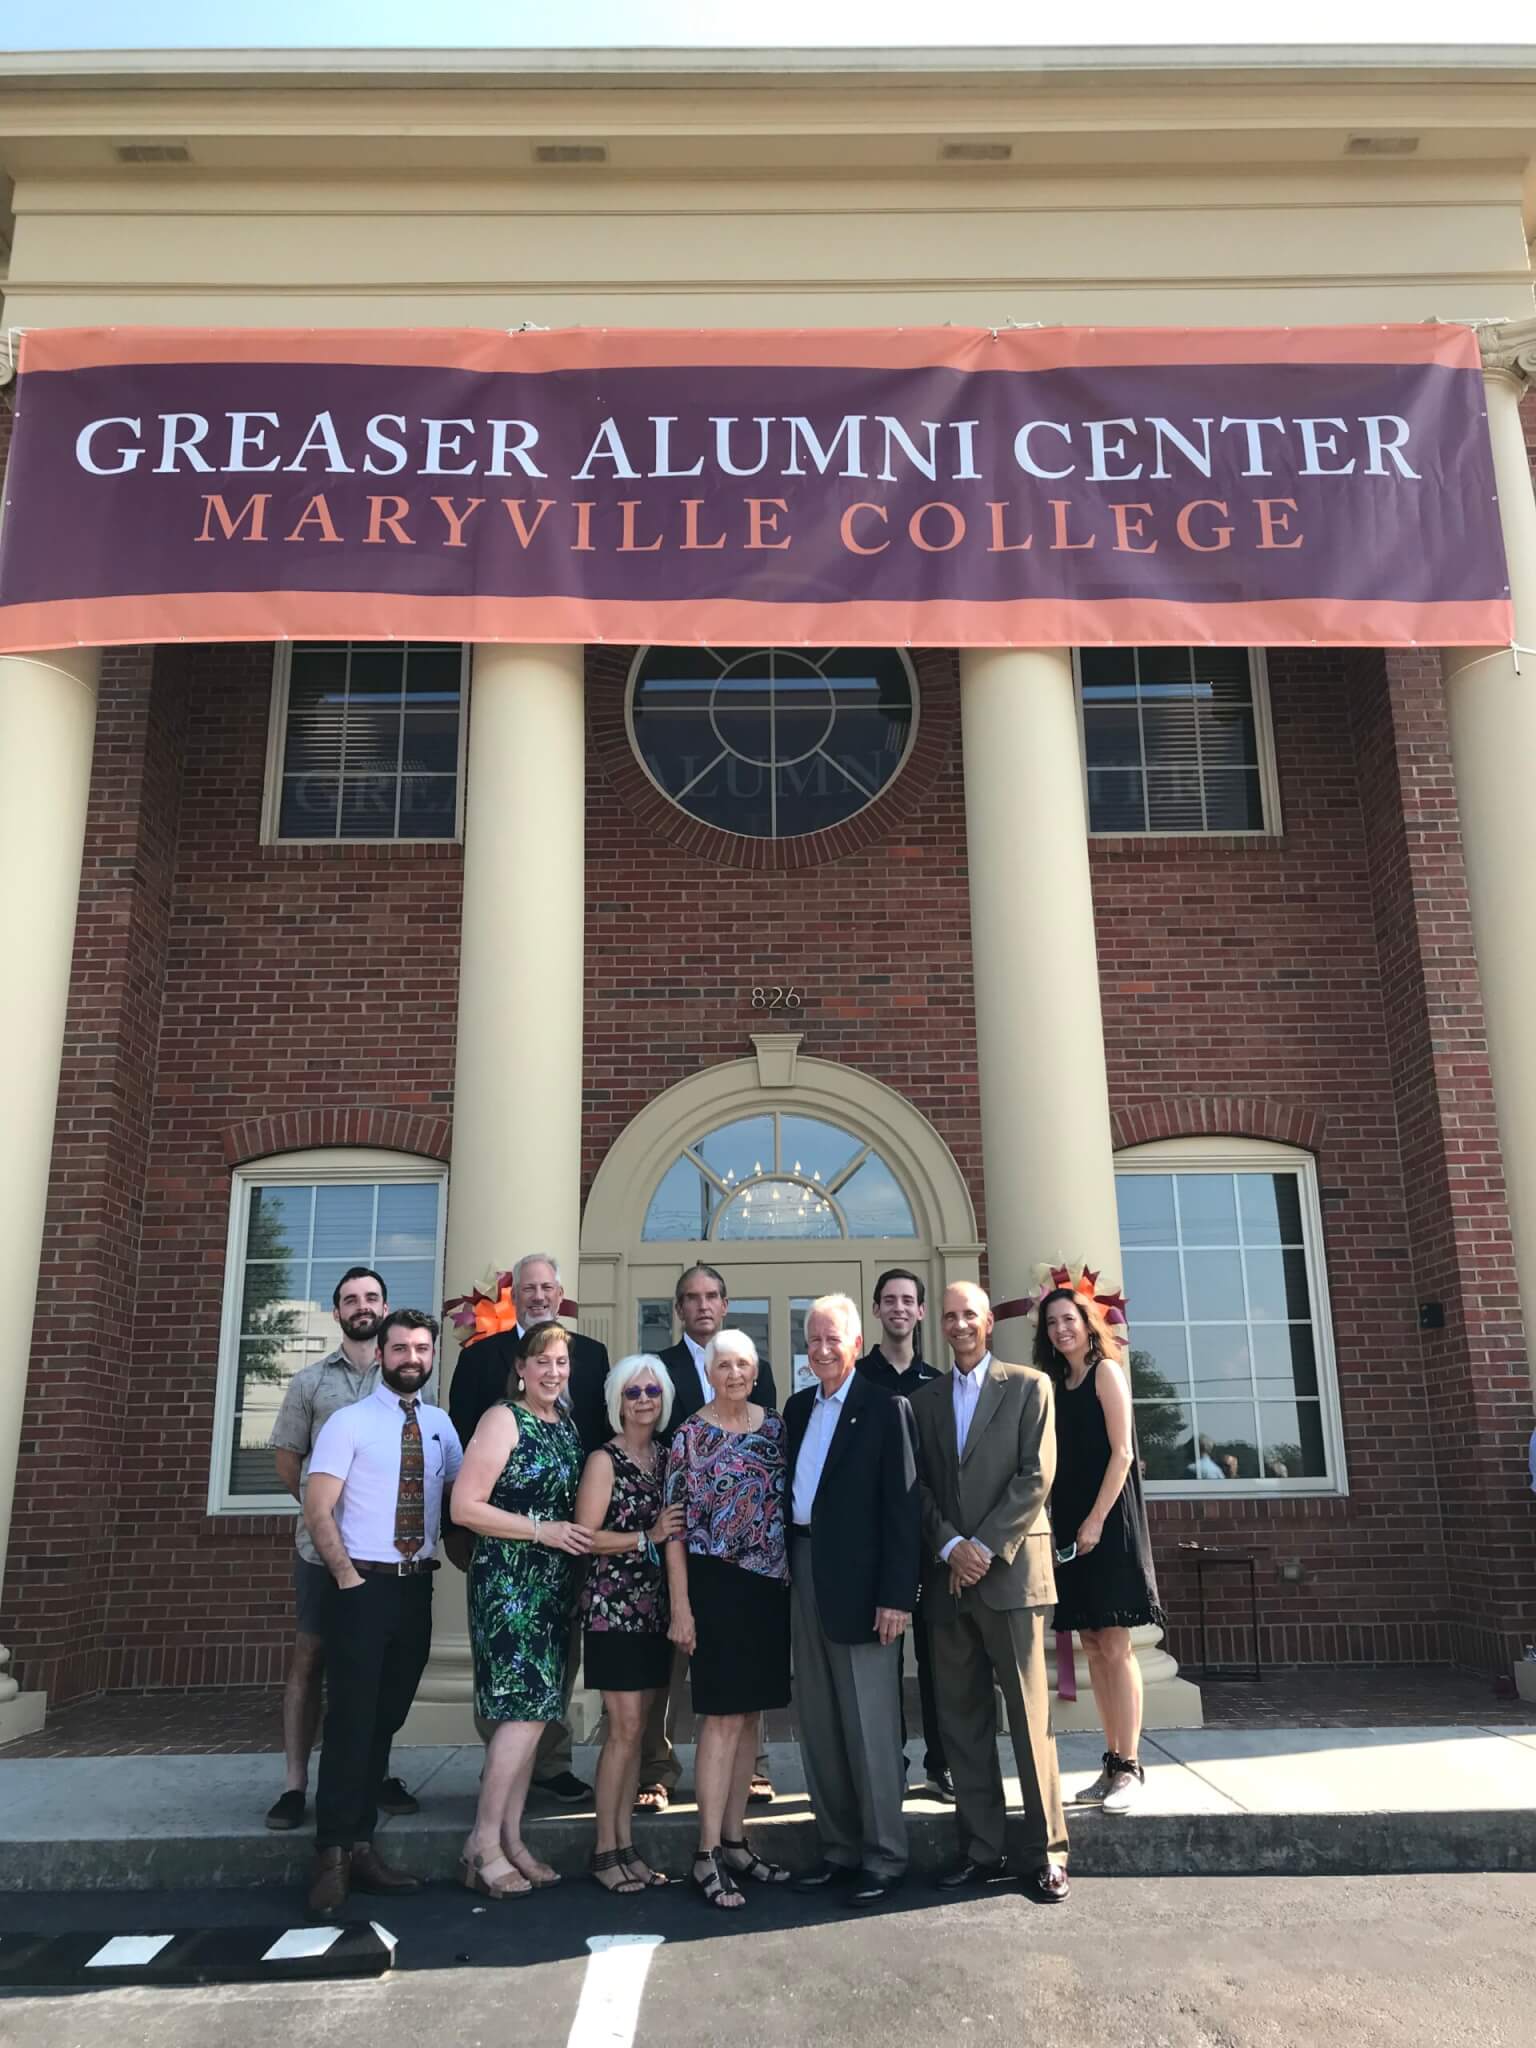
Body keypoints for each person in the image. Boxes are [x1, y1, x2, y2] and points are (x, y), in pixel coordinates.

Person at [910, 1281, 1070, 1905]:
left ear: (988, 1322)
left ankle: (1047, 1851)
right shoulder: (923, 1401)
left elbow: (1037, 1476)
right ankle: (981, 1848)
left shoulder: (1030, 1387)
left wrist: (984, 1548)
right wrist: (952, 1547)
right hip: (950, 1580)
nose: (959, 1325)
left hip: (1011, 1577)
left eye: (968, 1314)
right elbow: (916, 1486)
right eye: (949, 1317)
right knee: (962, 1724)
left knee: (1031, 1724)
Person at [301, 1307, 462, 1914]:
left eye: (422, 1348)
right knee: (350, 1721)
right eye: (400, 1349)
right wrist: (345, 1575)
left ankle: (362, 1845)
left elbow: (455, 1506)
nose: (411, 1358)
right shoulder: (348, 1423)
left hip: (415, 1589)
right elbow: (319, 1509)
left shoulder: (444, 1426)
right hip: (360, 1585)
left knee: (386, 1717)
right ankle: (331, 1855)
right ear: (381, 1352)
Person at [446, 1250, 608, 1805]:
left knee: (558, 1670)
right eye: (530, 1287)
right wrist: (461, 1535)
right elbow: (461, 1455)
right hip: (507, 1558)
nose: (540, 1295)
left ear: (560, 1293)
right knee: (510, 1683)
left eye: (549, 1287)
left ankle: (550, 1762)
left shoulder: (590, 1356)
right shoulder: (482, 1356)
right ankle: (501, 1778)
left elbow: (598, 1447)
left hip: (566, 1551)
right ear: (514, 1294)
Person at [267, 1265, 421, 1830]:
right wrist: (324, 1515)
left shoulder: (406, 1377)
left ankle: (371, 1773)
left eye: (372, 1297)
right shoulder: (310, 1384)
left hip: (385, 1557)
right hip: (321, 1552)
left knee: (379, 1669)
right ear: (337, 1313)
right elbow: (289, 1461)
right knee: (311, 1656)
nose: (363, 1306)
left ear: (385, 1308)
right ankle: (294, 1785)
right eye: (351, 1299)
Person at [786, 1294, 920, 1907]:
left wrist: (897, 1596)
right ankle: (838, 1849)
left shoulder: (884, 1406)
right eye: (812, 1338)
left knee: (870, 1725)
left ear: (857, 1344)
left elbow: (903, 1509)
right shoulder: (795, 1408)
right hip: (805, 1573)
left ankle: (885, 1855)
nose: (820, 1349)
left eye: (832, 1338)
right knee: (819, 1723)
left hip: (867, 1588)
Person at [451, 1320, 589, 1896]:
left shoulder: (565, 1426)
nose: (553, 1372)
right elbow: (465, 1507)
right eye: (542, 1362)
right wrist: (540, 1531)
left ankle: (512, 1838)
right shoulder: (503, 1419)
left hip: (553, 1584)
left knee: (538, 1713)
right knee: (523, 1710)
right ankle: (481, 1842)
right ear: (522, 1369)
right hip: (509, 1585)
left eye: (561, 1362)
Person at [640, 1261, 778, 1814]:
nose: (702, 1305)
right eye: (691, 1297)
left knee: (747, 1665)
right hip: (678, 1537)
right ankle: (659, 1767)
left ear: (725, 1304)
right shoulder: (661, 1368)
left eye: (712, 1296)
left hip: (748, 1560)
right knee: (672, 1658)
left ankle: (754, 1768)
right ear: (679, 1309)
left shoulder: (755, 1366)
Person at [664, 1329, 791, 1911]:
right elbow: (674, 1532)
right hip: (713, 1586)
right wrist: (682, 1608)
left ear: (756, 1369)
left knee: (749, 1718)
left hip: (767, 1586)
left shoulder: (775, 1429)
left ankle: (737, 1841)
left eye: (743, 1364)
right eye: (724, 1365)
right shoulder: (689, 1436)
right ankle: (706, 1851)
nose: (734, 1373)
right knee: (718, 1719)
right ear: (709, 1372)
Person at [1034, 1286, 1164, 1818]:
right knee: (1090, 1644)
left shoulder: (1106, 1373)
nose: (1061, 1328)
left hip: (1108, 1524)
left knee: (1116, 1645)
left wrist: (1094, 1520)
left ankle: (1131, 1765)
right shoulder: (1055, 1385)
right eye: (1051, 1323)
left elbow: (1123, 1452)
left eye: (1069, 1319)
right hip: (1071, 1528)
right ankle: (1111, 1761)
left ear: (1088, 1323)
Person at [572, 1354, 683, 1893]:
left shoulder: (666, 1457)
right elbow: (585, 1535)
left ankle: (627, 1845)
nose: (644, 1400)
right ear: (618, 1401)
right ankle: (604, 1850)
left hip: (655, 1610)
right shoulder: (604, 1460)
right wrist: (646, 1538)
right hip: (612, 1609)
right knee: (622, 1732)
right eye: (634, 1392)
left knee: (639, 1732)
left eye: (652, 1392)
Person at [857, 1265, 952, 1803]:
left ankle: (941, 1765)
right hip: (874, 1545)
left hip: (929, 1543)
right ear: (877, 1310)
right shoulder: (858, 1381)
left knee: (939, 1662)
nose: (898, 1308)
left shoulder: (936, 1384)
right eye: (888, 1299)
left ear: (919, 1312)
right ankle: (887, 1765)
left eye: (907, 1300)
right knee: (882, 1663)